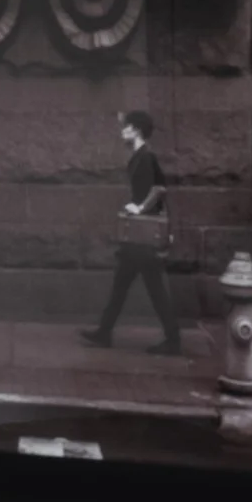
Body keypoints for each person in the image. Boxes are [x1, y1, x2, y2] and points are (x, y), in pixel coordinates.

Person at [85, 107, 185, 355]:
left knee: (151, 288)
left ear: (136, 130)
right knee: (125, 285)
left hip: (143, 236)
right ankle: (104, 332)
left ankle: (171, 340)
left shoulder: (145, 157)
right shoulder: (141, 156)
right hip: (140, 237)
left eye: (126, 126)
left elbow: (159, 189)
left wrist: (139, 208)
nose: (122, 131)